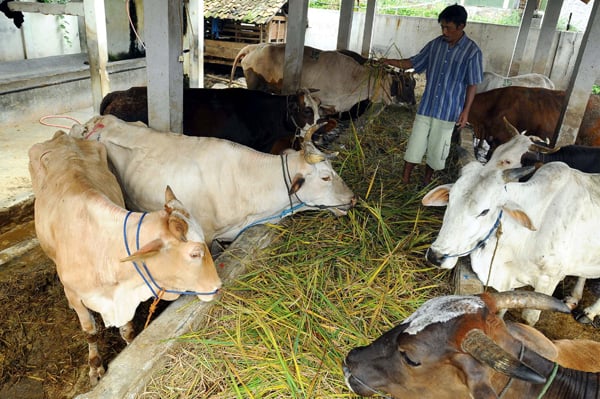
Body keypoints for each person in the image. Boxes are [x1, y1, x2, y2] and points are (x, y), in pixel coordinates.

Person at [382, 4, 483, 185]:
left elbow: (472, 84)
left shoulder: (472, 52)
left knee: (437, 150)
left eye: (448, 28)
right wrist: (386, 60)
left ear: (461, 27)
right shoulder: (436, 45)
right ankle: (405, 180)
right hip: (427, 106)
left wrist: (466, 111)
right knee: (415, 144)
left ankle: (426, 181)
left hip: (449, 110)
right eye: (442, 27)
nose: (444, 31)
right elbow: (413, 62)